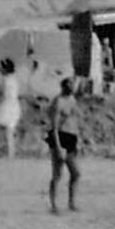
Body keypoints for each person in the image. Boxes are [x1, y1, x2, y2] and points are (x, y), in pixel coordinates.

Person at [46, 77, 82, 214]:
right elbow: (54, 127)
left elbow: (74, 121)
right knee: (57, 174)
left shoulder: (72, 100)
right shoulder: (58, 102)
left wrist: (79, 140)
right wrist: (59, 147)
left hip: (71, 137)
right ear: (64, 87)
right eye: (69, 85)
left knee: (76, 173)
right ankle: (53, 205)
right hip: (60, 137)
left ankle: (71, 202)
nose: (72, 88)